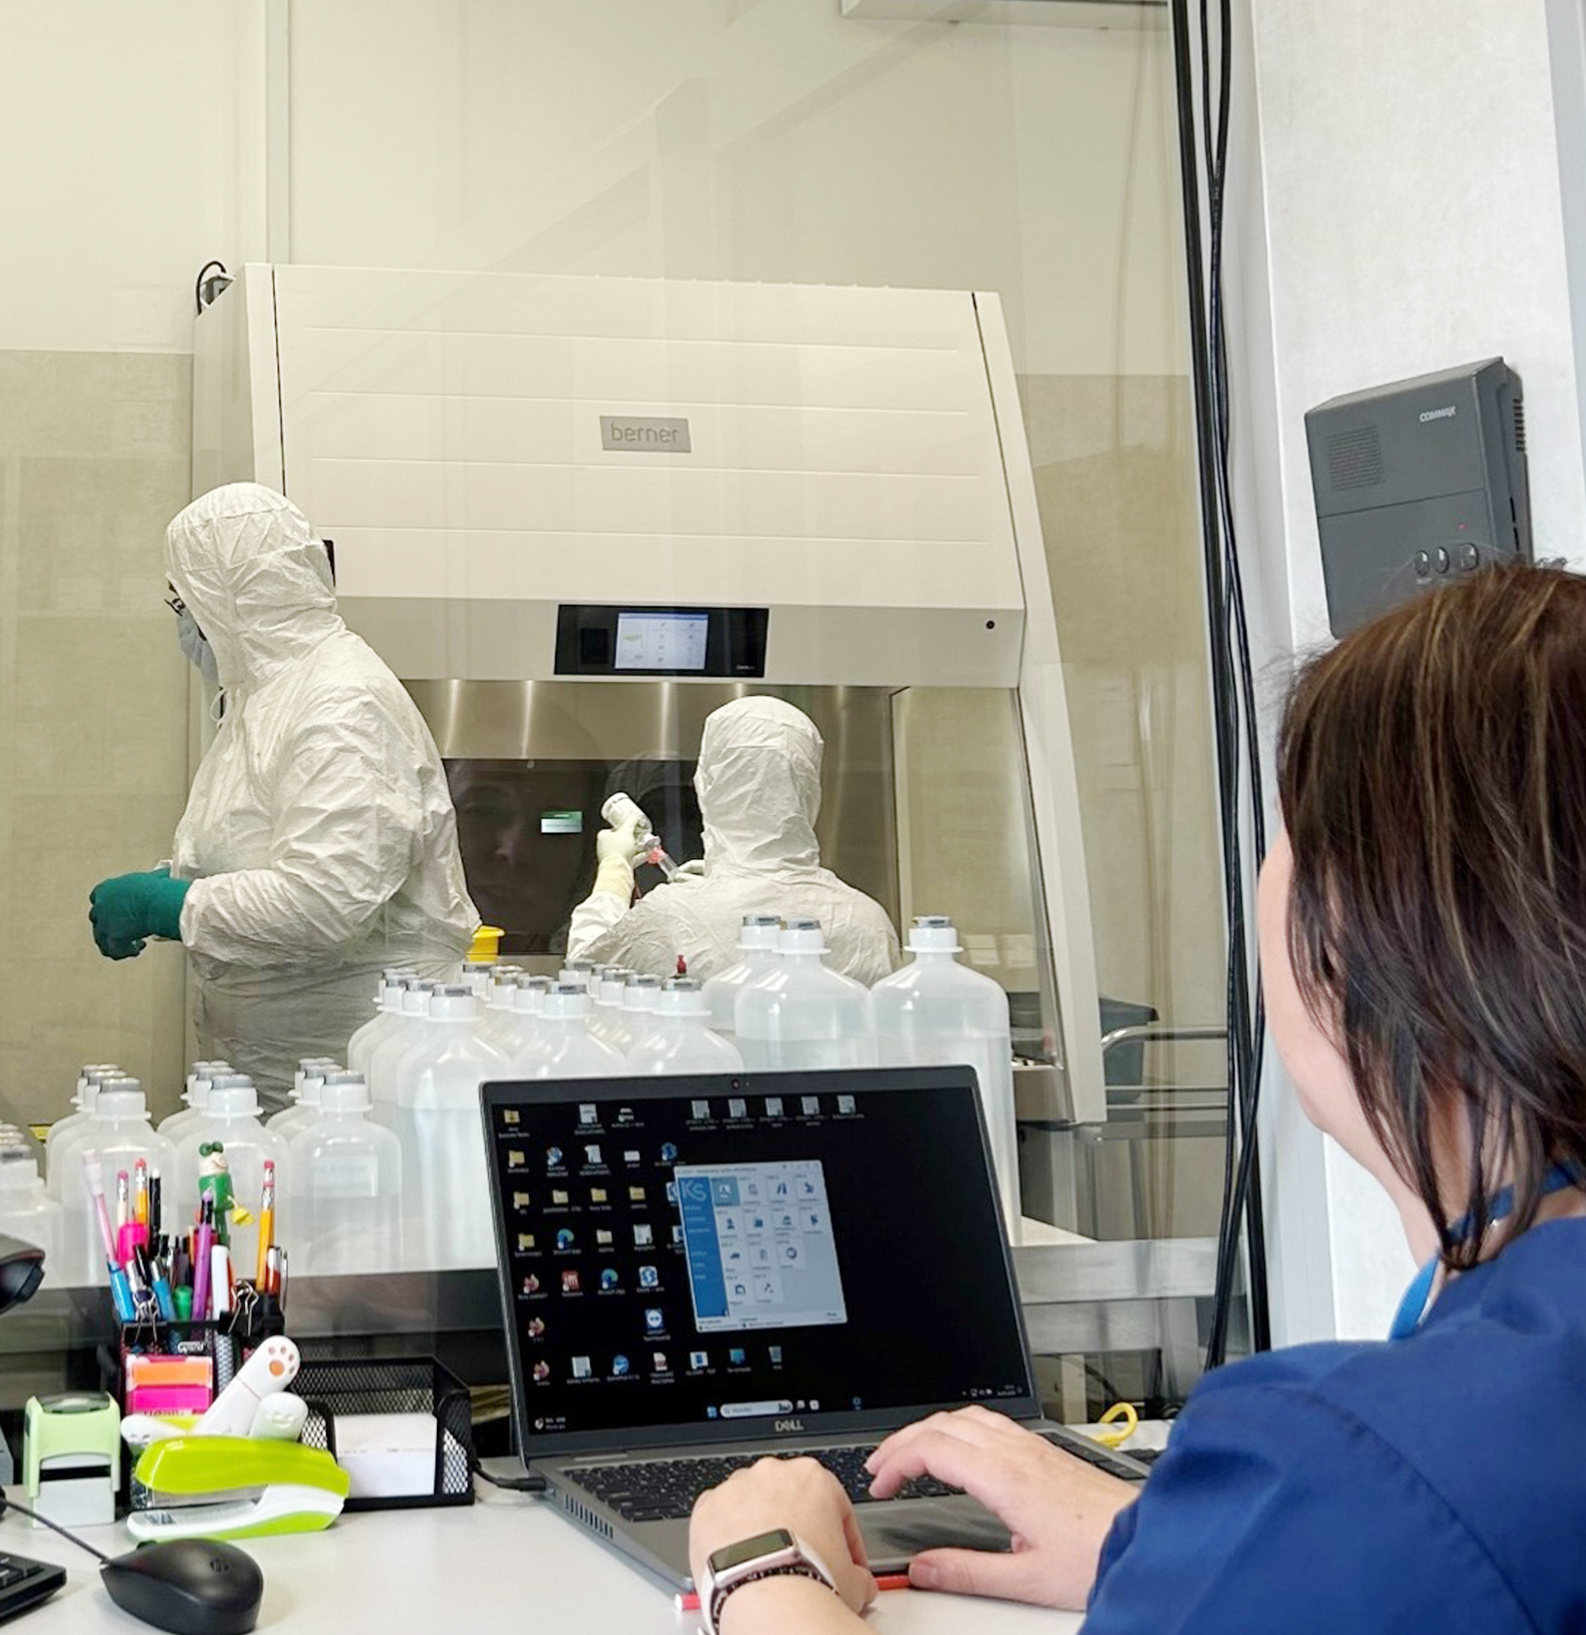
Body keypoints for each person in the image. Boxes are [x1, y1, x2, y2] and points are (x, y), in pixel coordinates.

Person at [680, 560, 1586, 1633]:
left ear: (1374, 940)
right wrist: (1192, 1545)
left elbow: (1406, 1533)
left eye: (1292, 829)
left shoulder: (1371, 1474)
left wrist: (761, 1571)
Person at [86, 483, 479, 1096]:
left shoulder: (342, 703)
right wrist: (173, 884)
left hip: (353, 1074)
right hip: (283, 1068)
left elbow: (324, 900)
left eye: (182, 601)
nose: (184, 622)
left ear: (226, 596)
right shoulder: (267, 697)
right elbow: (258, 846)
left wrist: (167, 905)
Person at [565, 697, 896, 984]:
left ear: (707, 784)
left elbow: (585, 975)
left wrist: (614, 872)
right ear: (810, 789)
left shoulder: (670, 916)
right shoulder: (869, 922)